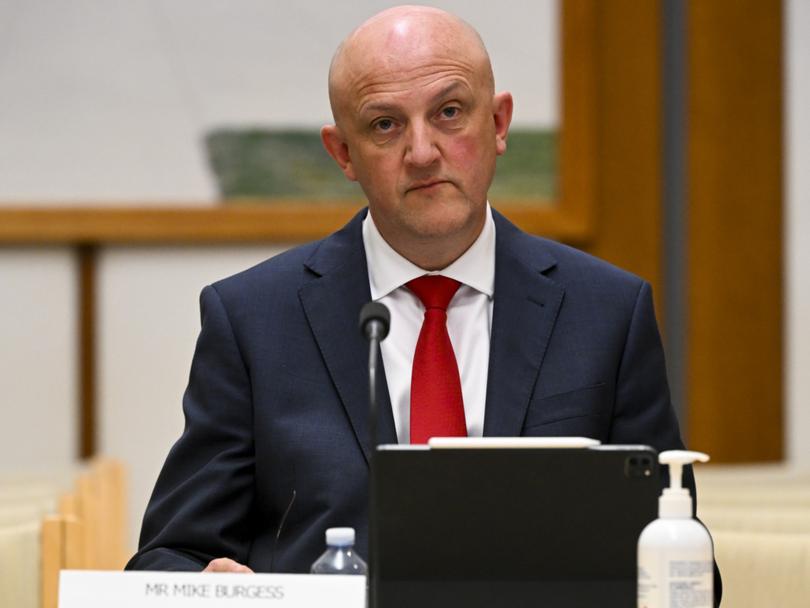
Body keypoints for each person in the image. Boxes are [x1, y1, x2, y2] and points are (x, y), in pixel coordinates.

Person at [128, 7, 717, 601]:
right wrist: (203, 586)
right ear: (343, 154)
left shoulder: (608, 312)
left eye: (450, 113)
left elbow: (687, 569)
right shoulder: (254, 319)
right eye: (384, 125)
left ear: (499, 123)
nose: (422, 151)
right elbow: (166, 555)